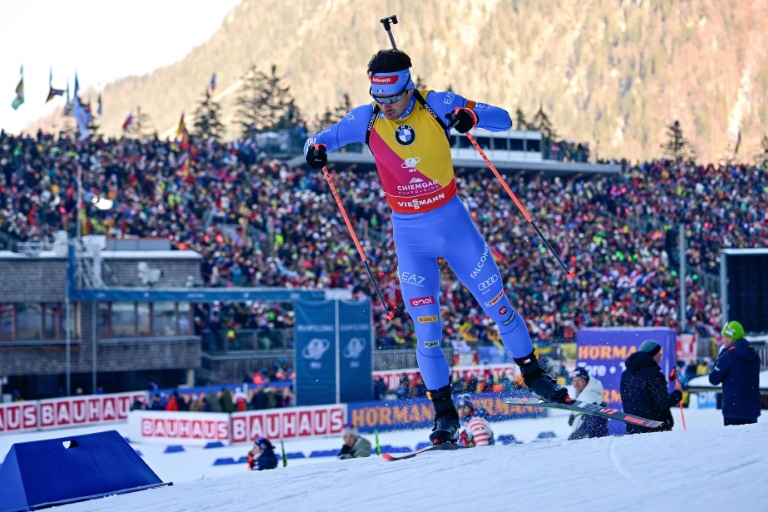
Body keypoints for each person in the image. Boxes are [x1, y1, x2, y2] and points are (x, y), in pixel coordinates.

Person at [305, 48, 568, 445]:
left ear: (408, 88)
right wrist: (315, 150)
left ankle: (534, 376)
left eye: (393, 98)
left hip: (453, 225)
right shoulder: (367, 118)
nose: (387, 106)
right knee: (427, 332)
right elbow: (317, 140)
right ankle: (444, 415)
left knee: (498, 305)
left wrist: (471, 117)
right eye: (380, 98)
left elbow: (504, 119)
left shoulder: (436, 104)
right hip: (410, 238)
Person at [620, 340, 682, 434]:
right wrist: (678, 393)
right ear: (653, 354)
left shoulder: (626, 374)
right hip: (654, 429)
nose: (661, 356)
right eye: (659, 353)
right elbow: (663, 402)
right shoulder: (653, 374)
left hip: (632, 428)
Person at [709, 321, 762, 426]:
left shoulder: (728, 356)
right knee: (749, 442)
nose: (722, 340)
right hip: (752, 411)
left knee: (734, 442)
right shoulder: (754, 354)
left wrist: (720, 357)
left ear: (732, 339)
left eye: (724, 337)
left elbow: (713, 379)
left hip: (733, 412)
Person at [567, 367, 608, 440]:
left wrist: (577, 435)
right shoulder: (584, 394)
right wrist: (574, 415)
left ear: (586, 381)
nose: (576, 383)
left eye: (579, 380)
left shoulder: (589, 396)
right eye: (574, 380)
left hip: (593, 441)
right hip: (593, 441)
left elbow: (591, 420)